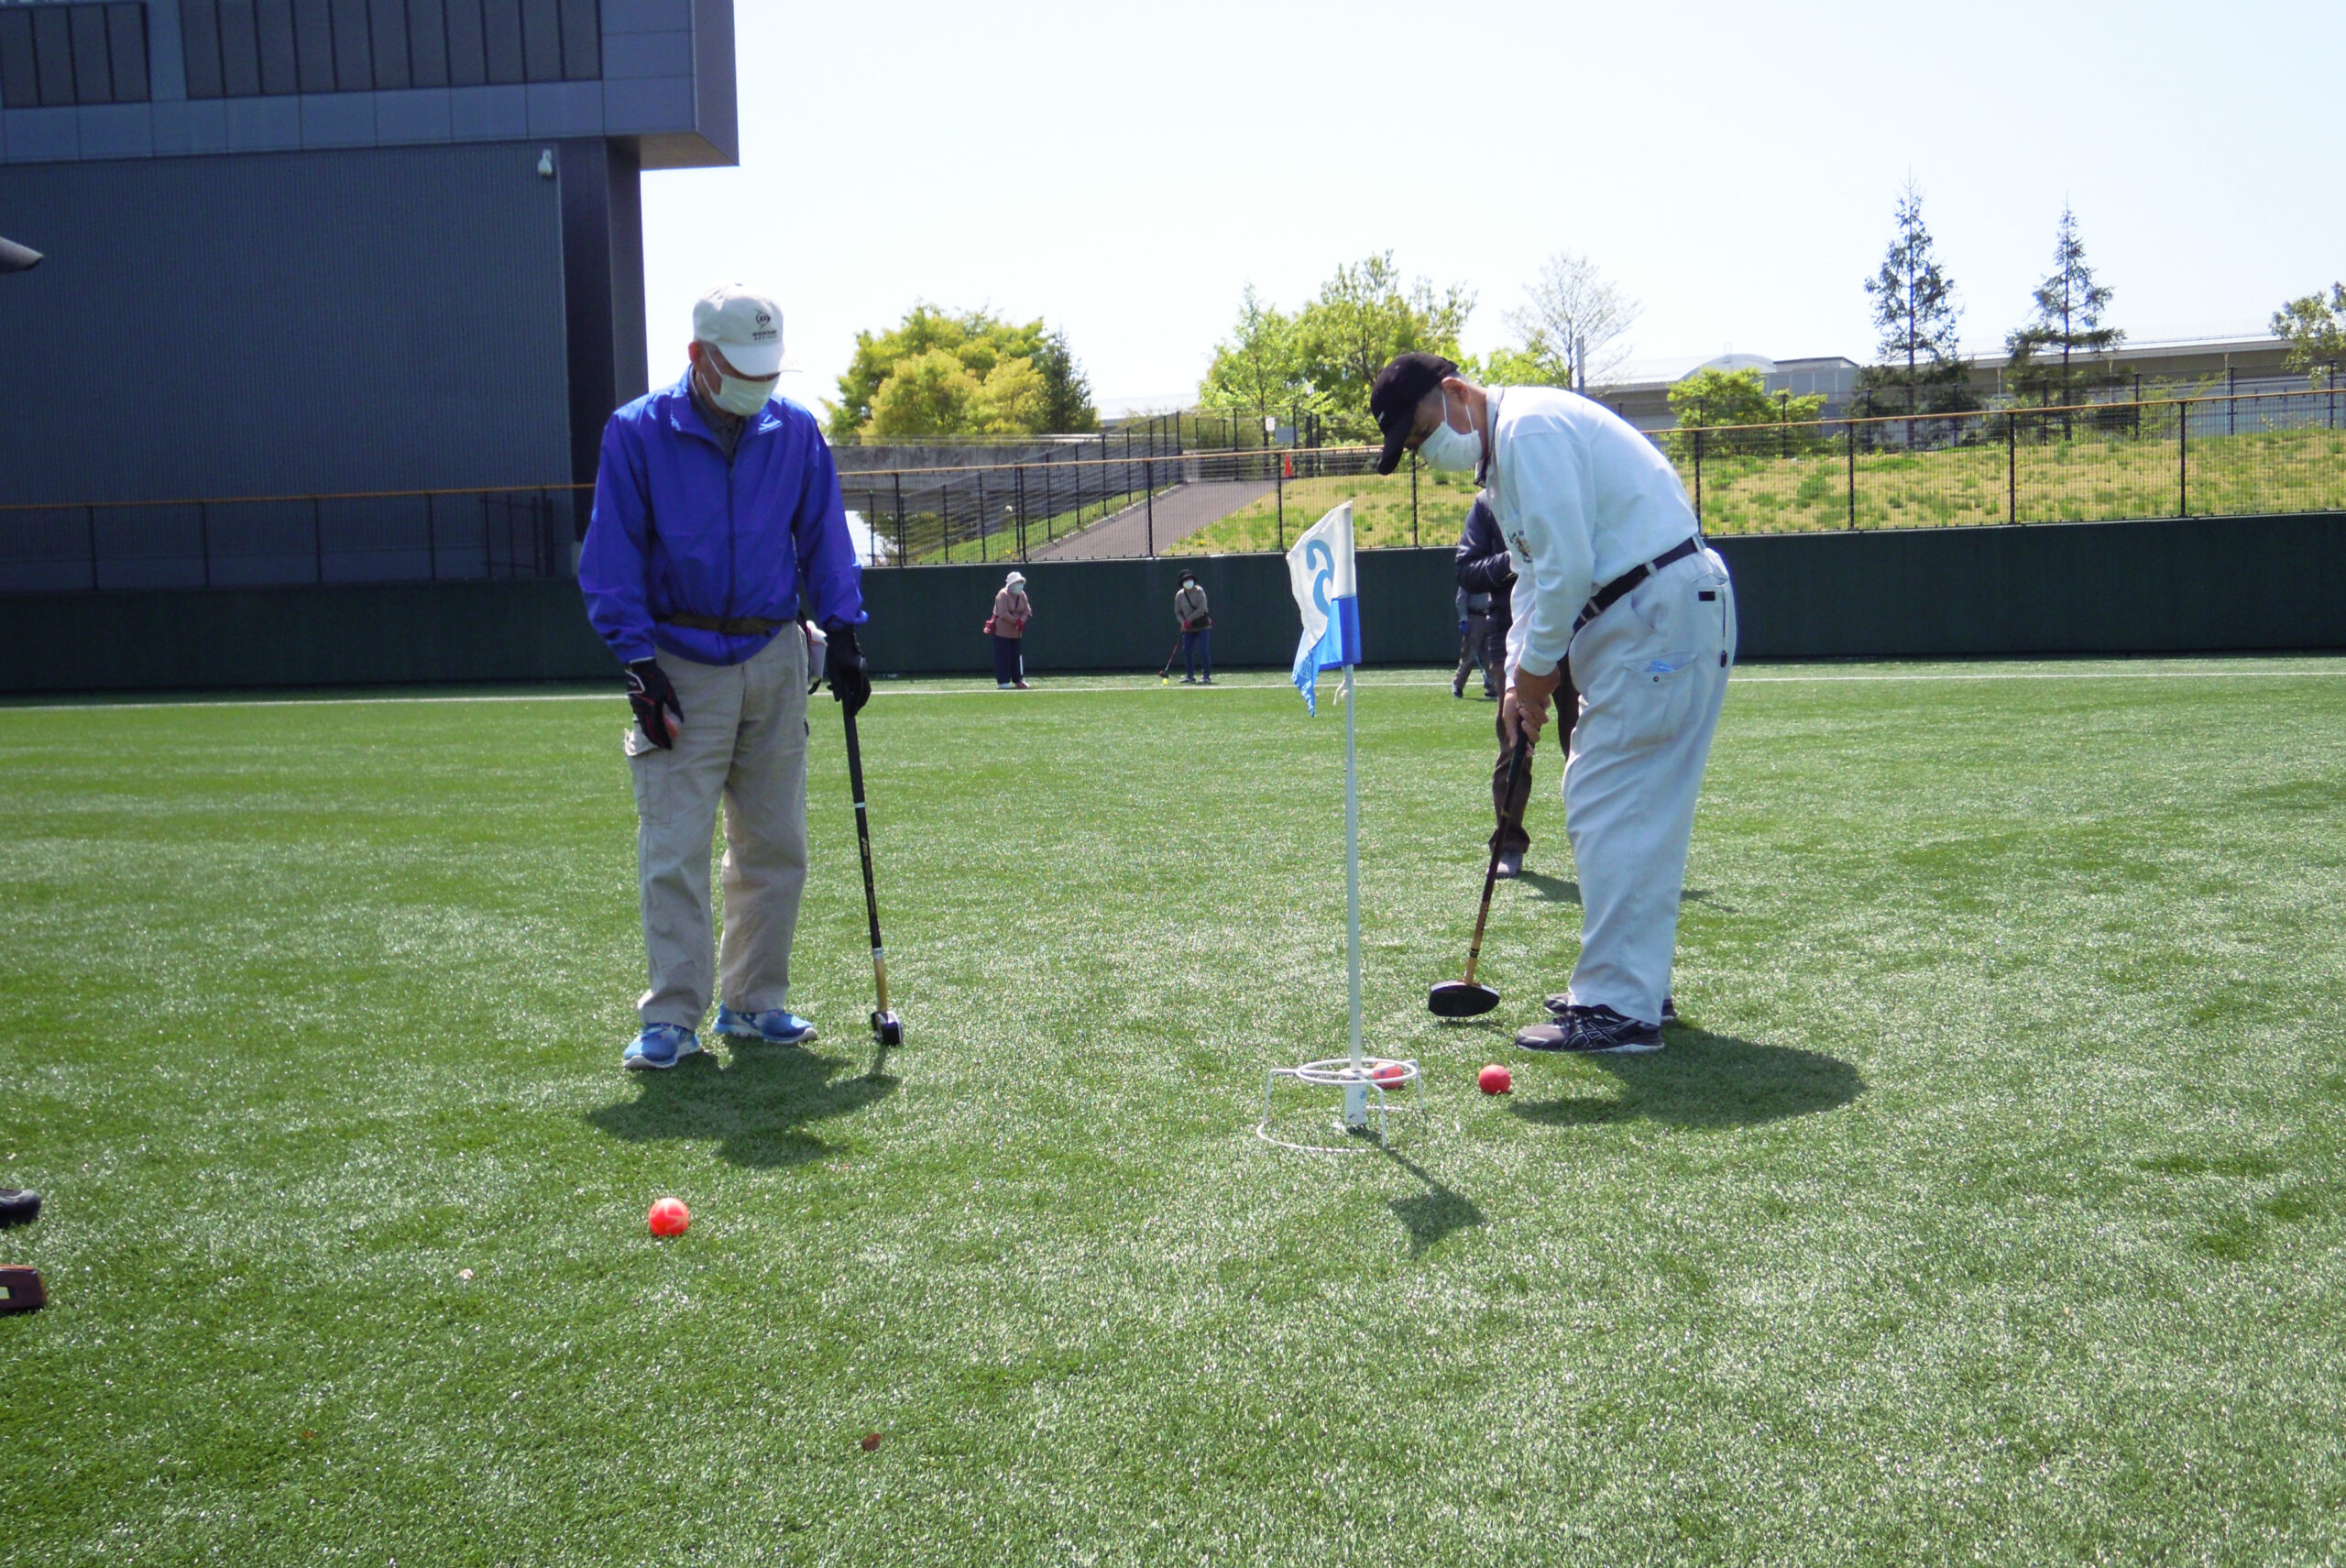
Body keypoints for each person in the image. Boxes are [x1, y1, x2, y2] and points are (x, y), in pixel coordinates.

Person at [1372, 351, 1734, 1056]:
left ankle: (1620, 1006)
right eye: (1414, 451)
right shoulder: (1505, 468)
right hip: (1651, 617)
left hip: (1654, 613)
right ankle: (1633, 988)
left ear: (1455, 393)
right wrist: (1516, 682)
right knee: (1621, 803)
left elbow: (1566, 570)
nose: (1427, 455)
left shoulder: (1528, 433)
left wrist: (1536, 678)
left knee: (1611, 800)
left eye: (1420, 434)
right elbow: (1534, 580)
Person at [578, 283, 872, 1071]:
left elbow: (823, 537)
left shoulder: (797, 431)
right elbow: (612, 555)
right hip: (678, 661)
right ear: (697, 359)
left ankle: (754, 1001)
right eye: (742, 367)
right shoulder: (636, 432)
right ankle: (673, 1015)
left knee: (775, 843)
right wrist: (638, 663)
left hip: (773, 657)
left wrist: (843, 630)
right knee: (673, 844)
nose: (758, 384)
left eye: (768, 369)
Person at [1455, 491, 1560, 879]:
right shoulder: (1487, 505)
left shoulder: (1558, 490)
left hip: (1576, 629)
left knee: (1588, 739)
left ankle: (1612, 848)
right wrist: (1518, 557)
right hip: (1511, 634)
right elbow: (1466, 569)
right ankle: (1508, 843)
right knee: (1516, 744)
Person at [989, 571, 1034, 689]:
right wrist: (1016, 621)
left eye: (1021, 583)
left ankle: (1019, 679)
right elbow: (1003, 614)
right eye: (1017, 583)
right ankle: (1003, 681)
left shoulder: (1022, 595)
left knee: (1016, 656)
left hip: (1016, 633)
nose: (1020, 585)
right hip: (1002, 632)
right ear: (1011, 585)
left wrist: (1021, 621)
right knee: (1004, 656)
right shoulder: (1002, 595)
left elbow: (1027, 611)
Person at [1174, 568, 1213, 684]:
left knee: (1203, 650)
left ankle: (1206, 675)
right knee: (1187, 650)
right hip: (1188, 629)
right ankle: (1189, 675)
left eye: (1190, 579)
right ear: (1182, 582)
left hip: (1202, 626)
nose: (1188, 581)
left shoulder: (1199, 591)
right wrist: (1183, 622)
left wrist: (1189, 620)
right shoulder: (1179, 595)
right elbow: (1177, 611)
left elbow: (1202, 608)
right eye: (1186, 580)